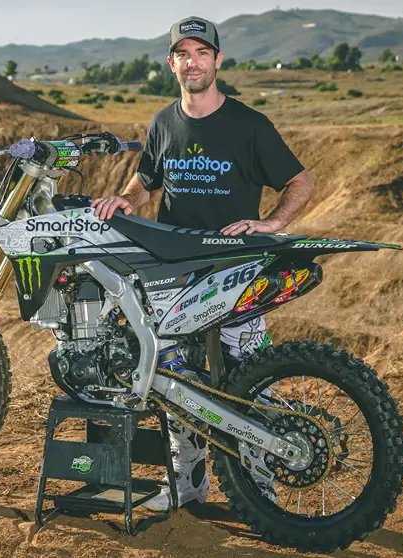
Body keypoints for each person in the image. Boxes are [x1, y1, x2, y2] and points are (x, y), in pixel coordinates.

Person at [91, 16, 316, 511]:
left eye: (201, 53)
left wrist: (273, 224)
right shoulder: (162, 123)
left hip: (235, 273)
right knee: (177, 381)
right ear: (171, 63)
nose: (192, 62)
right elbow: (147, 181)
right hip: (174, 274)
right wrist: (125, 199)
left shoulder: (250, 125)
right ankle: (187, 485)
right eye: (182, 54)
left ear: (217, 60)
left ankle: (262, 490)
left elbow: (301, 183)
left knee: (249, 379)